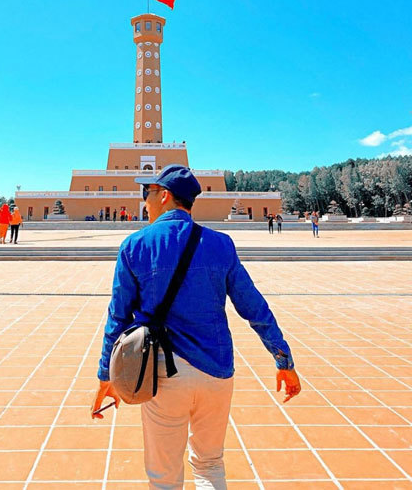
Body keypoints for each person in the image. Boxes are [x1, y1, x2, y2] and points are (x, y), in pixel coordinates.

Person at [92, 164, 300, 489]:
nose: (145, 202)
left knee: (164, 477)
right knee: (209, 464)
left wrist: (106, 375)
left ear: (164, 196)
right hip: (216, 372)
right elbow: (253, 307)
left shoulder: (135, 246)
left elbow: (117, 318)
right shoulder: (221, 244)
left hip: (162, 375)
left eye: (148, 194)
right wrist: (282, 359)